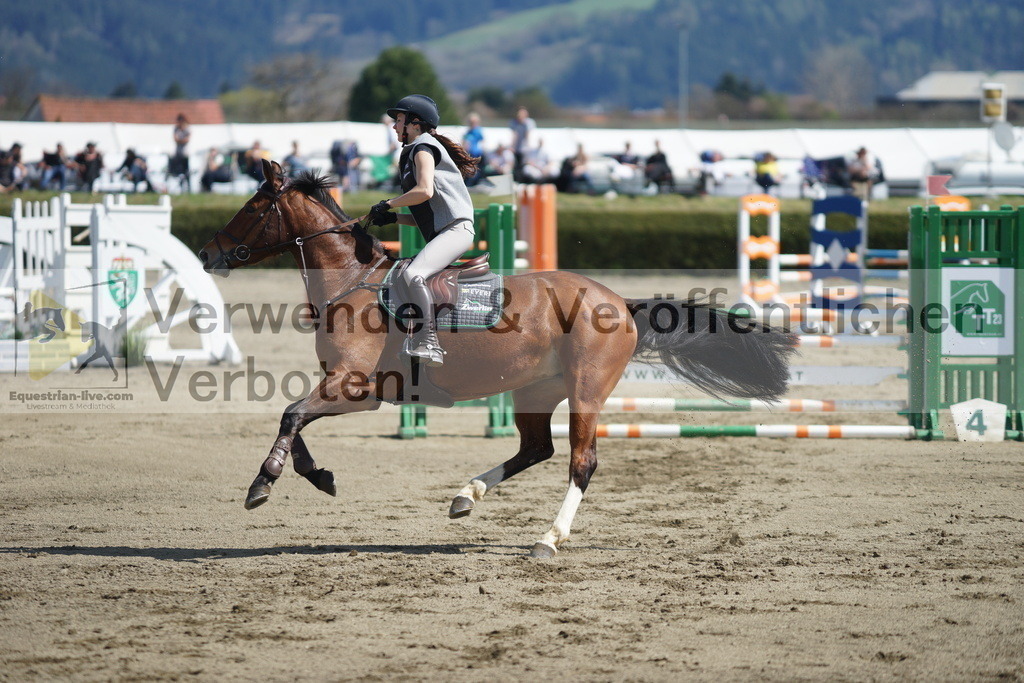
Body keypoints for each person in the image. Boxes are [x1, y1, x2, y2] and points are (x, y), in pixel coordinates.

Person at [365, 94, 479, 367]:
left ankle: (429, 342)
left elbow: (425, 191)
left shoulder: (423, 147)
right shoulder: (417, 149)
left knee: (414, 273)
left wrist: (388, 204)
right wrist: (394, 219)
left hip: (456, 230)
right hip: (446, 229)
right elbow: (428, 215)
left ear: (415, 124)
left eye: (399, 120)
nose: (394, 126)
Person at [509, 106, 535, 182]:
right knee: (516, 166)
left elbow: (528, 135)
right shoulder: (514, 123)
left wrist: (527, 146)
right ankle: (516, 181)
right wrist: (512, 146)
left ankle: (522, 181)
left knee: (524, 166)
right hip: (517, 148)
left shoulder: (529, 123)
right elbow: (514, 135)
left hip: (525, 148)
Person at [461, 112, 486, 186]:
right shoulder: (468, 132)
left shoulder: (478, 131)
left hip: (477, 154)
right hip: (470, 154)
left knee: (476, 171)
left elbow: (482, 142)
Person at [169, 113, 191, 191]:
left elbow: (186, 140)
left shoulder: (187, 129)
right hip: (177, 153)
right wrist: (181, 140)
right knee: (176, 172)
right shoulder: (176, 129)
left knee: (186, 172)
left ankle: (188, 188)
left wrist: (180, 140)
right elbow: (176, 139)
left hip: (185, 154)